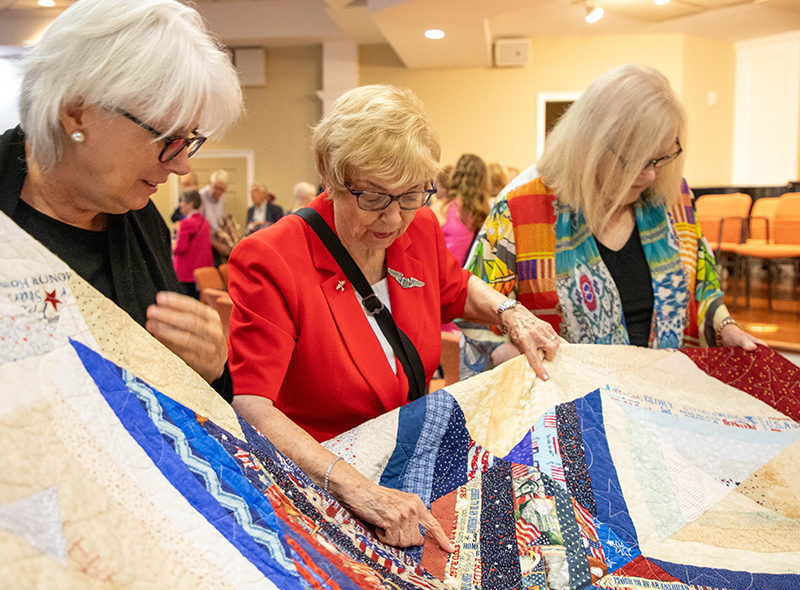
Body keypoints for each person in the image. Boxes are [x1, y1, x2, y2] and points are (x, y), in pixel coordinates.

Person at [227, 84, 561, 551]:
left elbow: (456, 288)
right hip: (331, 476)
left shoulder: (418, 227)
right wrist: (356, 489)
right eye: (372, 197)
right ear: (330, 177)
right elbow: (253, 407)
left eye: (410, 196)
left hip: (410, 458)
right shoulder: (271, 258)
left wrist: (510, 312)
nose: (392, 219)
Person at [0, 0, 242, 391]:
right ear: (77, 112)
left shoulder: (141, 220)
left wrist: (211, 367)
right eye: (167, 138)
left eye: (189, 140)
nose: (182, 166)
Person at [465, 64, 761, 374]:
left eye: (659, 158)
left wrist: (725, 327)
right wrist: (520, 361)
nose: (650, 174)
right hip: (564, 402)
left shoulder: (673, 199)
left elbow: (701, 287)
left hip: (663, 390)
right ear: (590, 143)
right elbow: (475, 314)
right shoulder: (521, 208)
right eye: (635, 160)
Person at [440, 153, 491, 266]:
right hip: (466, 274)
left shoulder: (444, 208)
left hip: (443, 274)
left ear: (456, 174)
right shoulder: (483, 212)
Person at [172, 190, 213, 298]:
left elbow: (181, 248)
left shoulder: (186, 223)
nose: (180, 205)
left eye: (182, 202)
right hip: (202, 272)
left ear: (190, 203)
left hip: (186, 273)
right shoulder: (205, 222)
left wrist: (171, 244)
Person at [200, 169, 231, 264]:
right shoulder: (201, 196)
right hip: (203, 243)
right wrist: (215, 243)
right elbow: (199, 228)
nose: (218, 192)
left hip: (216, 240)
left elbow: (220, 221)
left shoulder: (222, 199)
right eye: (216, 187)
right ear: (210, 183)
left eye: (222, 189)